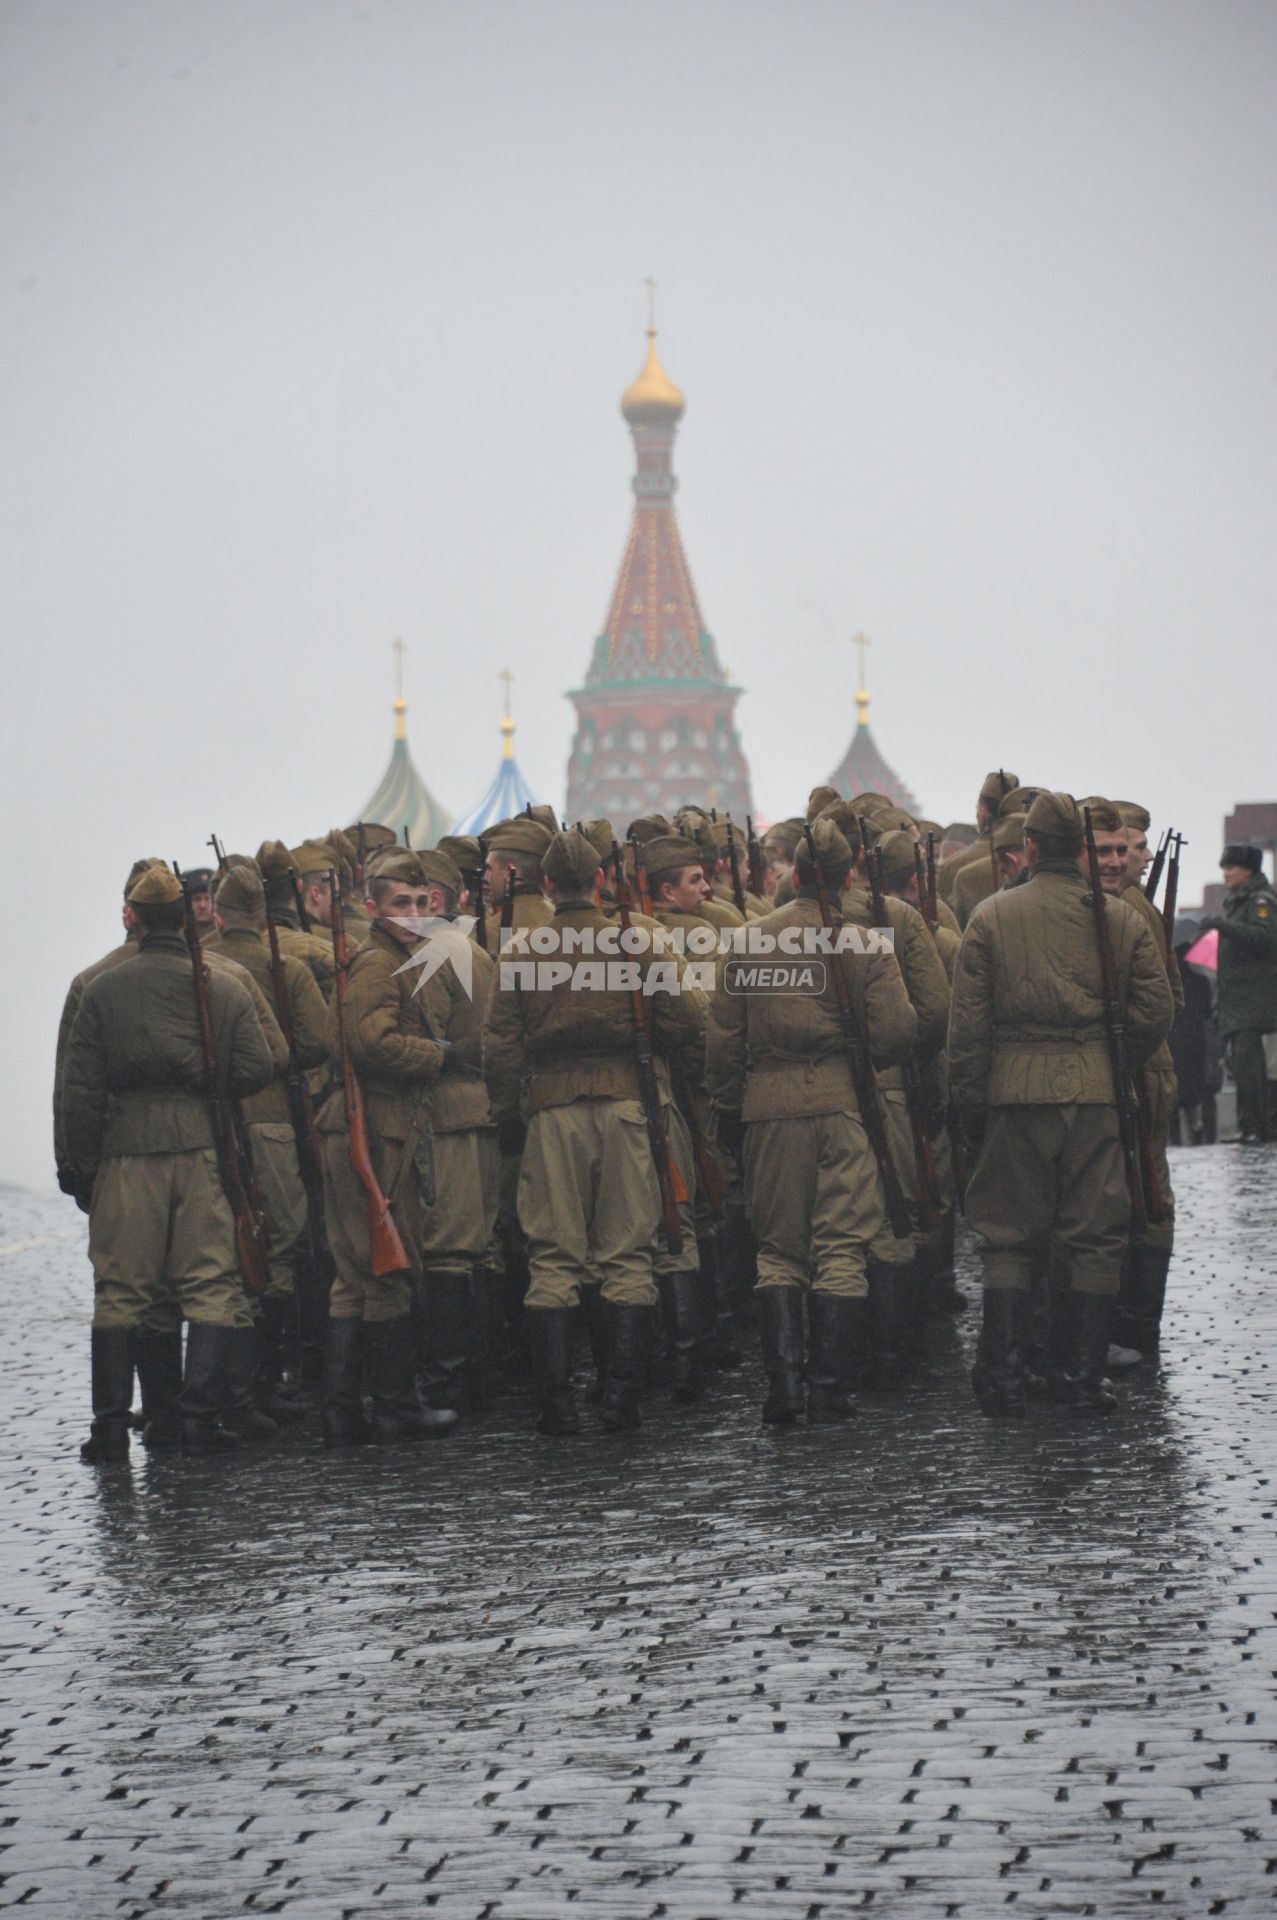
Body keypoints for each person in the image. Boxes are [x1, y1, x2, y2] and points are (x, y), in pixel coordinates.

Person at [948, 791, 1174, 1418]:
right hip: (1096, 1092)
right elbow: (1157, 1009)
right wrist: (1112, 1065)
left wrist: (967, 1100)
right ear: (1079, 848)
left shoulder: (990, 917)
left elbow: (967, 1027)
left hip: (1013, 1093)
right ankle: (1077, 1376)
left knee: (1009, 1238)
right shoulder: (1121, 917)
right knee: (1094, 1237)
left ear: (1028, 848)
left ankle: (1003, 1377)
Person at [484, 828, 701, 1435]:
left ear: (548, 886)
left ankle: (555, 1404)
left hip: (552, 1114)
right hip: (628, 1109)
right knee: (627, 1255)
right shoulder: (635, 943)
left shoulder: (522, 953)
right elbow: (685, 1022)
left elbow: (499, 1045)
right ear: (601, 881)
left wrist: (508, 1114)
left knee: (553, 1258)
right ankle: (621, 1399)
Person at [60, 864, 276, 1458]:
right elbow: (259, 1067)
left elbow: (79, 1089)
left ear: (134, 916)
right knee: (209, 1282)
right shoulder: (221, 984)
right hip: (202, 1145)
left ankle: (109, 1427)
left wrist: (80, 1167)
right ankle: (199, 1419)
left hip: (126, 1151)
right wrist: (208, 1076)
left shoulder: (102, 989)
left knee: (121, 1290)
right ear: (185, 917)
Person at [706, 818, 917, 1424]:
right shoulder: (866, 942)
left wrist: (728, 1108)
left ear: (795, 876)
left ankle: (784, 1390)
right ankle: (829, 1387)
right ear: (848, 878)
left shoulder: (747, 941)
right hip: (846, 1105)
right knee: (842, 1247)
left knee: (778, 1251)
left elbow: (723, 1043)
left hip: (769, 1109)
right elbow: (900, 1032)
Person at [315, 849, 458, 1446]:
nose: (415, 914)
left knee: (354, 1278)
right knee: (385, 1271)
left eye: (423, 904)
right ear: (372, 907)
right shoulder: (379, 962)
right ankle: (395, 1407)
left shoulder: (390, 957)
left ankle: (344, 1411)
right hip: (374, 1126)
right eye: (402, 903)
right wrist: (436, 1055)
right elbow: (370, 1044)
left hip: (370, 1123)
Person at [205, 861, 329, 1426]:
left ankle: (228, 1389)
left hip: (215, 1125)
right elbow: (314, 1043)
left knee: (224, 1255)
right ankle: (269, 1382)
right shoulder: (288, 968)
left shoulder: (198, 964)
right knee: (278, 1249)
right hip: (275, 1118)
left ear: (217, 909)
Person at [1200, 844, 1277, 1143]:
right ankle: (1251, 1126)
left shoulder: (1260, 900)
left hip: (1253, 1002)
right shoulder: (1237, 901)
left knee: (1250, 1068)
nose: (1226, 873)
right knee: (1243, 1069)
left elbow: (1265, 937)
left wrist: (1224, 926)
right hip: (1238, 1001)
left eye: (1232, 867)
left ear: (1249, 870)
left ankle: (1257, 1128)